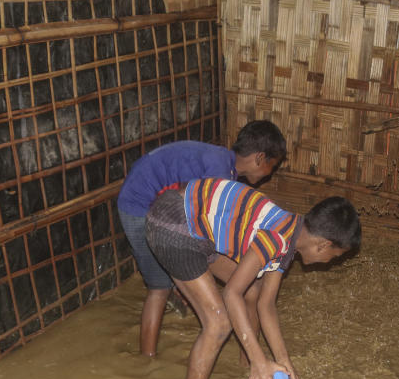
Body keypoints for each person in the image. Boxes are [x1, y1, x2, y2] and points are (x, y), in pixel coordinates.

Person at [145, 177, 361, 379]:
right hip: (173, 220)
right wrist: (261, 361)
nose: (331, 262)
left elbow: (266, 304)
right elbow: (231, 294)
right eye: (335, 256)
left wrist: (283, 360)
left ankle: (245, 364)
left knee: (253, 290)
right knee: (219, 322)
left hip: (196, 229)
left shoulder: (290, 236)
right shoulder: (276, 237)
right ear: (323, 245)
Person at [117, 120, 286, 357]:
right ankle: (147, 360)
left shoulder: (223, 164)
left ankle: (246, 360)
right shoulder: (220, 173)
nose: (271, 173)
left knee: (243, 282)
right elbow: (207, 234)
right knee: (159, 288)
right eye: (273, 166)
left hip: (153, 201)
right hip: (138, 205)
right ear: (260, 158)